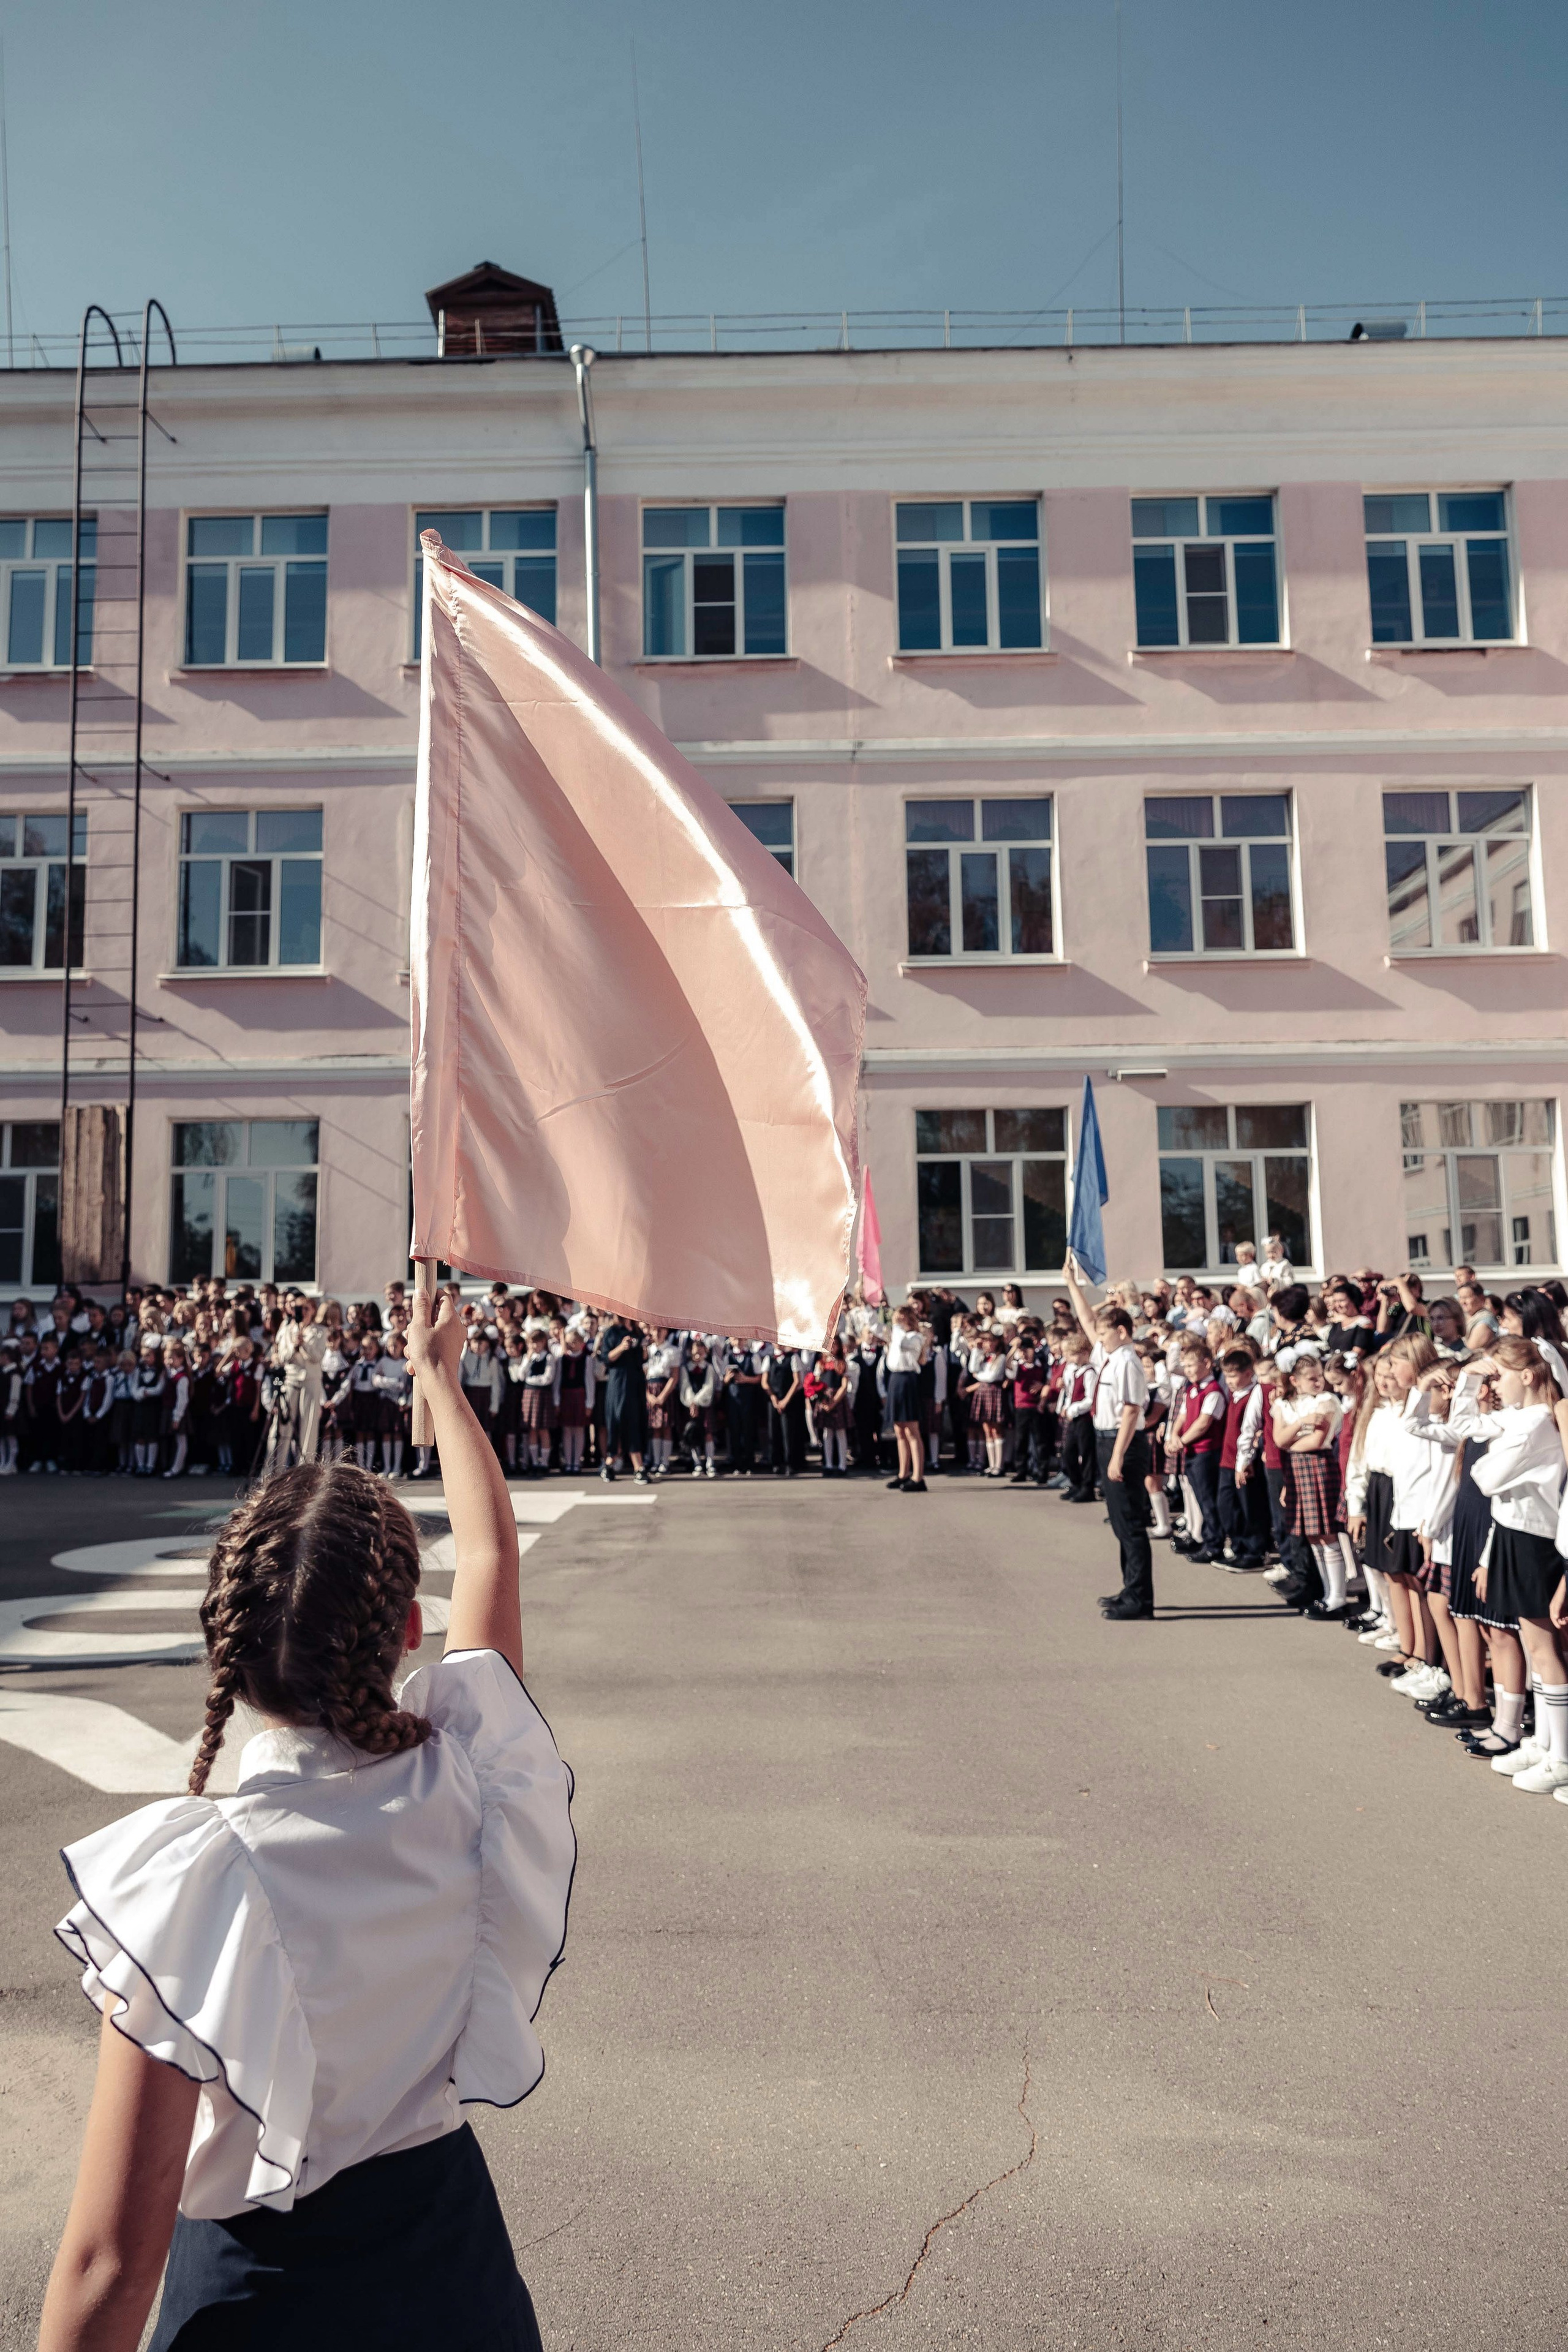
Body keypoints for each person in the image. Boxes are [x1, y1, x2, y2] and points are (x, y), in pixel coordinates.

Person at [37, 1287, 575, 2352]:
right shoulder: (466, 1783)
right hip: (450, 2274)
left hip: (257, 2298)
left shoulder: (199, 1878)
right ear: (407, 1630)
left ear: (222, 1646)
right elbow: (495, 1558)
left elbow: (111, 2258)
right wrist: (437, 1379)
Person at [1063, 1257, 1153, 1620]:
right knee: (1119, 1521)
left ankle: (1141, 1600)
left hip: (1123, 1442)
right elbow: (1087, 1320)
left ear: (1122, 1330)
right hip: (1107, 1439)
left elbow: (1132, 1410)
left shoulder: (1128, 1361)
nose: (1097, 1338)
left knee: (1131, 1524)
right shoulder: (1110, 1355)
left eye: (1104, 1333)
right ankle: (1129, 1588)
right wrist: (1072, 1283)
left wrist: (1117, 1457)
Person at [596, 1316, 649, 1483]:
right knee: (618, 1421)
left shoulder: (638, 1332)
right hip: (619, 1383)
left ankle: (622, 1465)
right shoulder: (612, 1332)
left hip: (636, 1382)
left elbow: (643, 1359)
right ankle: (629, 1465)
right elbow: (606, 1357)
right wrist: (621, 1347)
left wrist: (645, 1349)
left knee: (637, 1420)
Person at [883, 1304, 929, 1494]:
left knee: (912, 1431)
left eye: (900, 1318)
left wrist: (897, 1330)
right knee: (899, 1430)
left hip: (908, 1380)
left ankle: (918, 1477)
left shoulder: (915, 1337)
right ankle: (903, 1473)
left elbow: (904, 1346)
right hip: (895, 1379)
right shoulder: (897, 1335)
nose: (896, 1321)